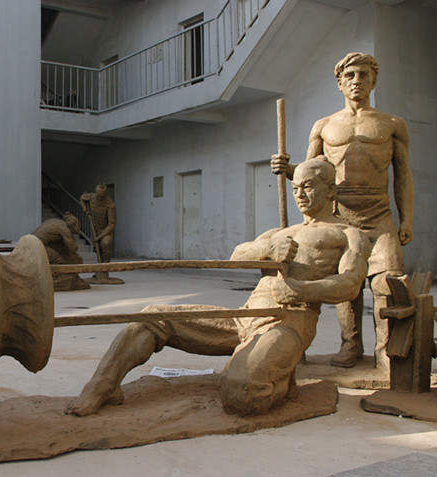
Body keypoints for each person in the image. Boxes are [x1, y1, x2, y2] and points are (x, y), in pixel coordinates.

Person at [66, 159, 370, 417]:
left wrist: (301, 291)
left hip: (289, 321)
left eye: (309, 186)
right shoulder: (281, 232)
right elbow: (237, 256)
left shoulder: (347, 234)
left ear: (331, 190)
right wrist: (268, 248)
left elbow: (350, 284)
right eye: (295, 188)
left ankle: (276, 381)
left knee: (241, 393)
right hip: (245, 316)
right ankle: (103, 385)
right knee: (151, 317)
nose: (300, 194)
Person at [271, 53, 413, 370]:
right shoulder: (324, 126)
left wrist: (407, 219)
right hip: (339, 218)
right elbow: (310, 173)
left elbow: (403, 175)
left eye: (363, 74)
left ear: (373, 81)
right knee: (346, 286)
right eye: (349, 75)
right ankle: (350, 345)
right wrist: (287, 168)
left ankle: (385, 351)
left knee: (387, 284)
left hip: (379, 217)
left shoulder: (392, 124)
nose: (356, 81)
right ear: (339, 83)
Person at [32, 212, 90, 291]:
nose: (78, 227)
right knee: (58, 260)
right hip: (37, 246)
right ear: (72, 225)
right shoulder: (64, 229)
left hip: (33, 242)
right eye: (77, 225)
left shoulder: (57, 222)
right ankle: (57, 280)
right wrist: (73, 238)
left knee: (64, 253)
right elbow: (73, 248)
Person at [80, 183, 122, 284]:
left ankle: (105, 269)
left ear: (106, 194)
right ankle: (100, 270)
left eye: (102, 196)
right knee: (97, 248)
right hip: (95, 229)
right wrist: (85, 210)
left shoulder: (110, 205)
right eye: (98, 195)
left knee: (106, 244)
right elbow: (81, 198)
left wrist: (100, 236)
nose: (99, 198)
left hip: (106, 231)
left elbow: (111, 224)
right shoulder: (91, 197)